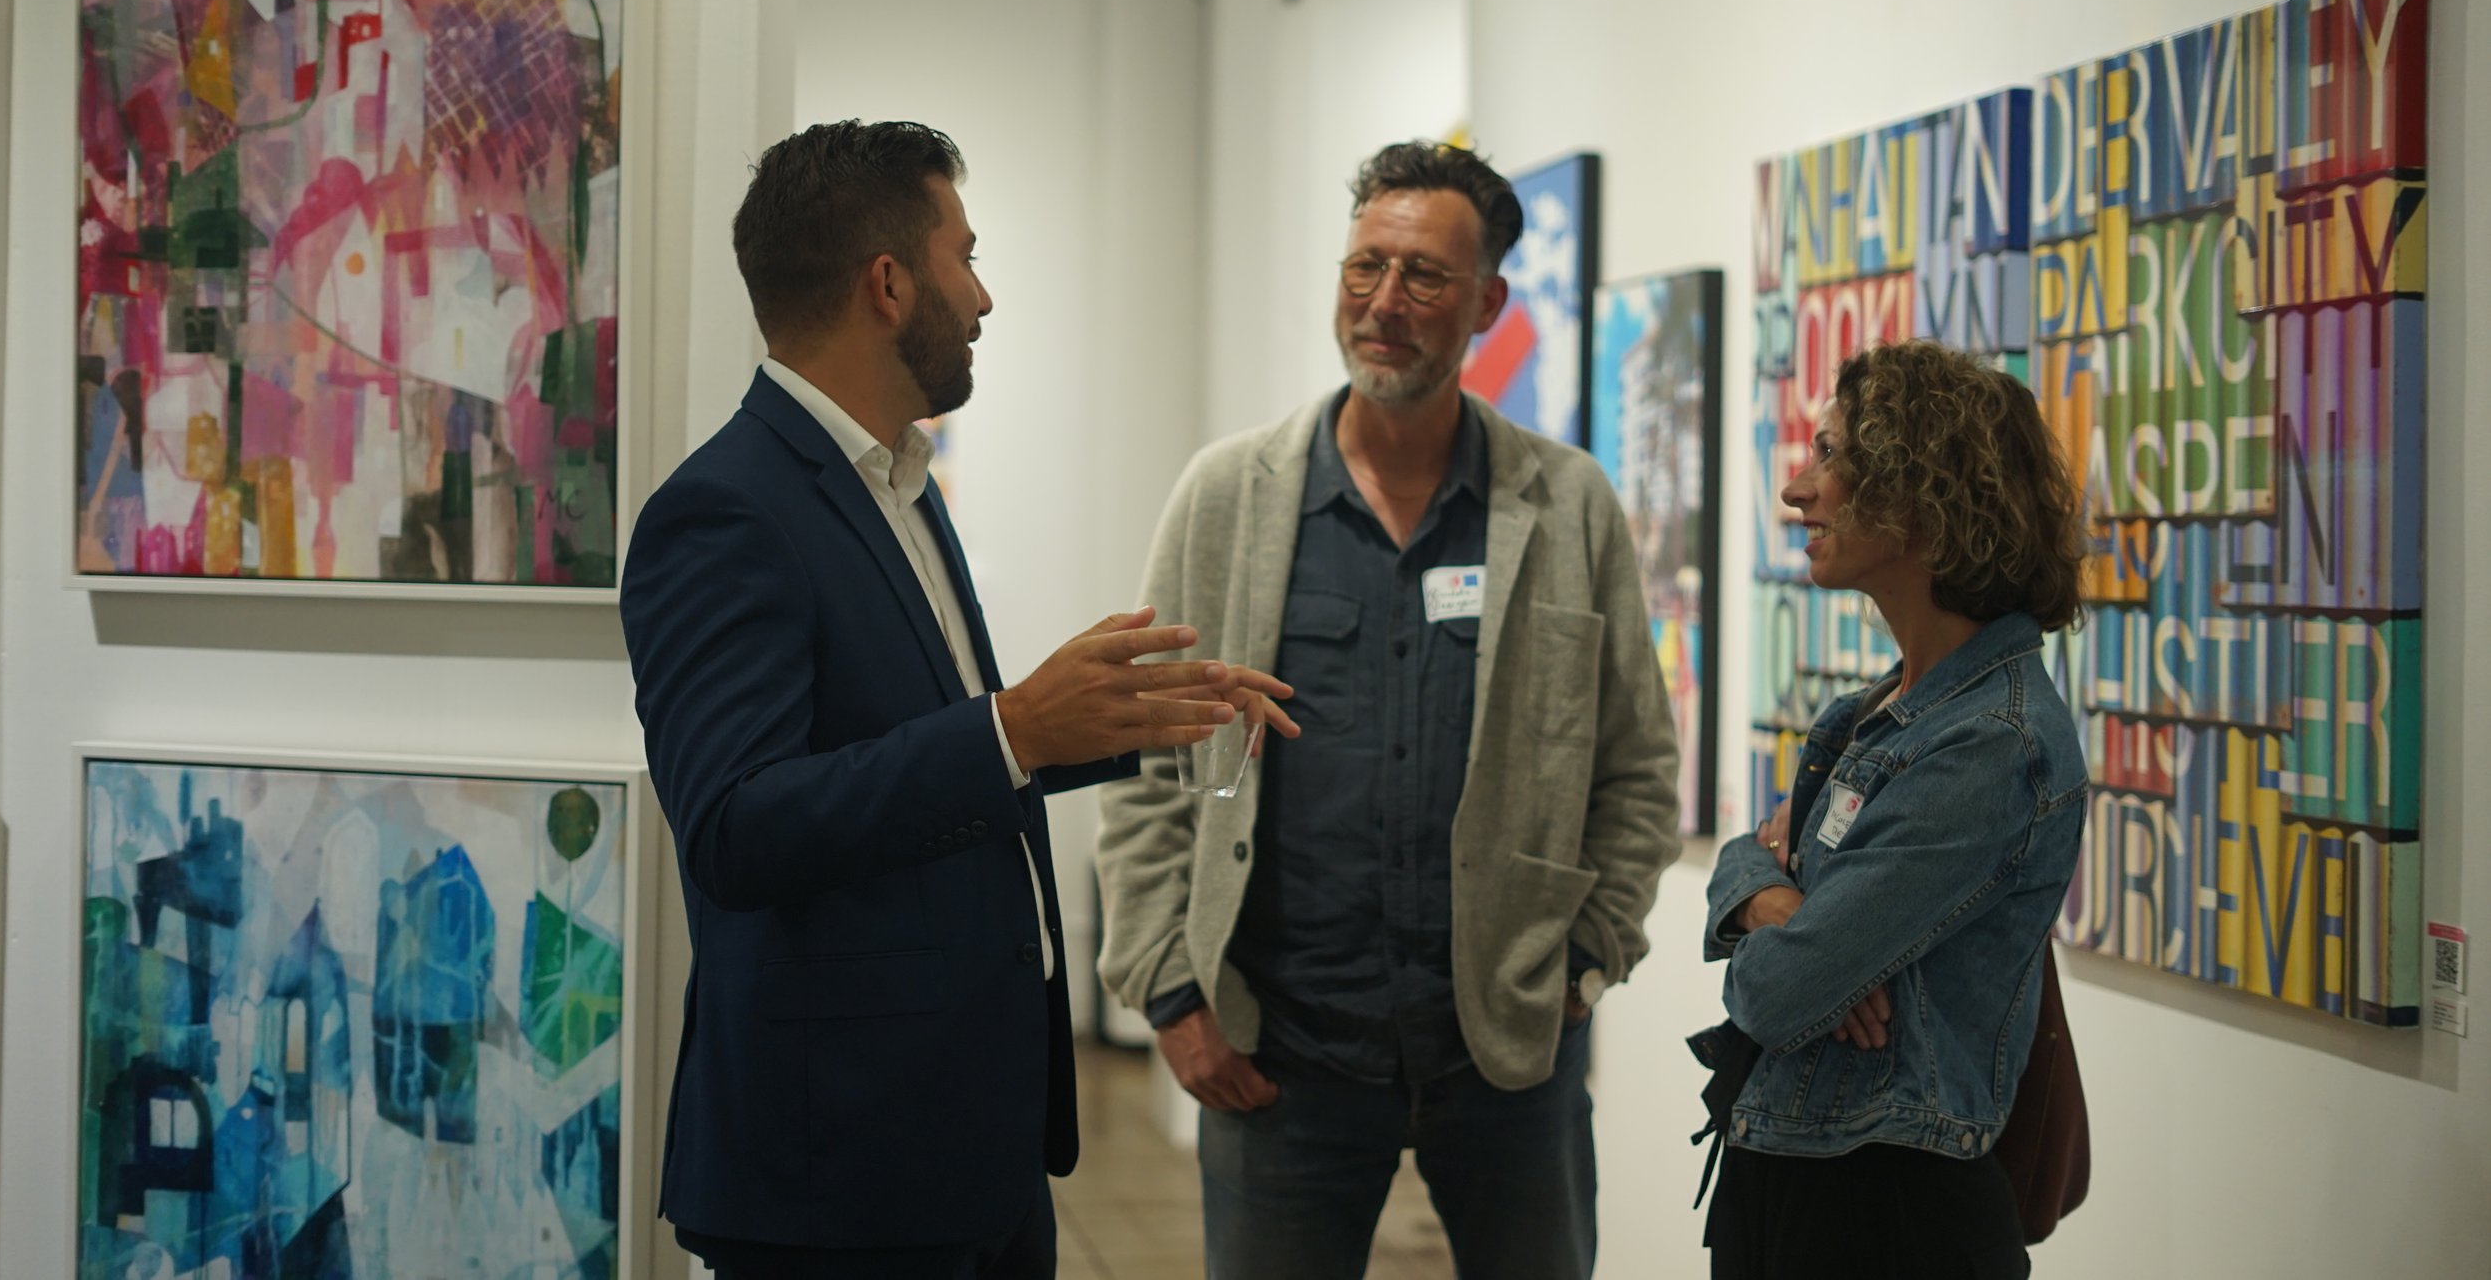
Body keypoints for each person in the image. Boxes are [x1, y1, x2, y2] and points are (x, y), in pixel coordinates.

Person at [620, 120, 1283, 1280]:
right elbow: (734, 826)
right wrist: (1014, 727)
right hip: (841, 1170)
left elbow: (933, 749)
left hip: (965, 1144)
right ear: (887, 285)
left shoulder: (902, 484)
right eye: (963, 256)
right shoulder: (723, 511)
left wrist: (1127, 715)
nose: (981, 298)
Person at [1096, 140, 1683, 1280]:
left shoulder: (1563, 505)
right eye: (1365, 266)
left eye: (1423, 277)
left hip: (1506, 1051)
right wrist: (1169, 990)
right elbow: (1144, 754)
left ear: (1487, 304)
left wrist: (1586, 960)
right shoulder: (1230, 496)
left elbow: (1636, 767)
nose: (1384, 304)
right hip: (1284, 1052)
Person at [1694, 340, 2091, 1280]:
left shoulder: (1992, 742)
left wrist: (1790, 934)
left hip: (1886, 1215)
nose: (1797, 488)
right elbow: (1747, 860)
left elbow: (1775, 994)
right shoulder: (1872, 716)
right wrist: (1772, 901)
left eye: (1832, 456)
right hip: (1796, 1170)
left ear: (1927, 496)